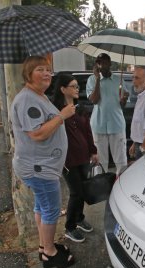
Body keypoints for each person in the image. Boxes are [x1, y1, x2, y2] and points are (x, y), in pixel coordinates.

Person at [10, 56, 75, 268]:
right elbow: (37, 134)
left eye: (48, 69)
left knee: (41, 207)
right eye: (40, 69)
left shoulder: (39, 96)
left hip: (42, 165)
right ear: (29, 74)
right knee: (51, 209)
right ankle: (49, 252)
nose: (47, 73)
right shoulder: (27, 99)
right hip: (39, 168)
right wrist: (63, 116)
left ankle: (43, 245)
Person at [52, 74, 98, 243]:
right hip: (68, 159)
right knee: (76, 193)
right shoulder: (55, 110)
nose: (77, 89)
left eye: (77, 86)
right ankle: (69, 227)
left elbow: (87, 132)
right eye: (73, 86)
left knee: (83, 190)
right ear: (63, 89)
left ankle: (79, 218)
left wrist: (93, 151)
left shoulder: (80, 108)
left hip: (84, 156)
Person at [86, 53, 128, 175]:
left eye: (103, 61)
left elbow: (123, 105)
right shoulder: (92, 79)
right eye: (98, 62)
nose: (100, 64)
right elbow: (94, 100)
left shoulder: (118, 80)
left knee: (121, 161)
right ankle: (100, 186)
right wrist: (98, 79)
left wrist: (123, 100)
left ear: (109, 63)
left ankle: (120, 185)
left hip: (117, 125)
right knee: (100, 162)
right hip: (98, 125)